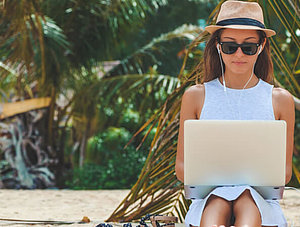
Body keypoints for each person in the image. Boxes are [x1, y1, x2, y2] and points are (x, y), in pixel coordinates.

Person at [175, 1, 295, 227]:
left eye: (248, 47)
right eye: (230, 46)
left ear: (261, 46)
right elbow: (181, 168)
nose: (239, 54)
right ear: (218, 46)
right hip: (208, 199)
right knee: (218, 200)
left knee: (247, 199)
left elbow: (284, 173)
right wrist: (222, 180)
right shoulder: (195, 96)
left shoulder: (280, 100)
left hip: (261, 202)